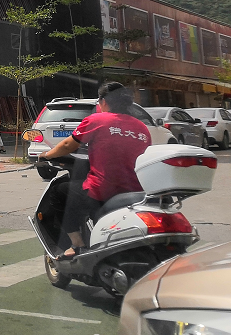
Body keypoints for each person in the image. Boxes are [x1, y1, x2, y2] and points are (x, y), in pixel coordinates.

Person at [40, 82, 149, 256]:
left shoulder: (97, 120)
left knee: (58, 192)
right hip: (135, 191)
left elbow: (68, 145)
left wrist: (47, 155)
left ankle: (77, 245)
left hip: (103, 190)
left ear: (103, 101)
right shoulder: (142, 127)